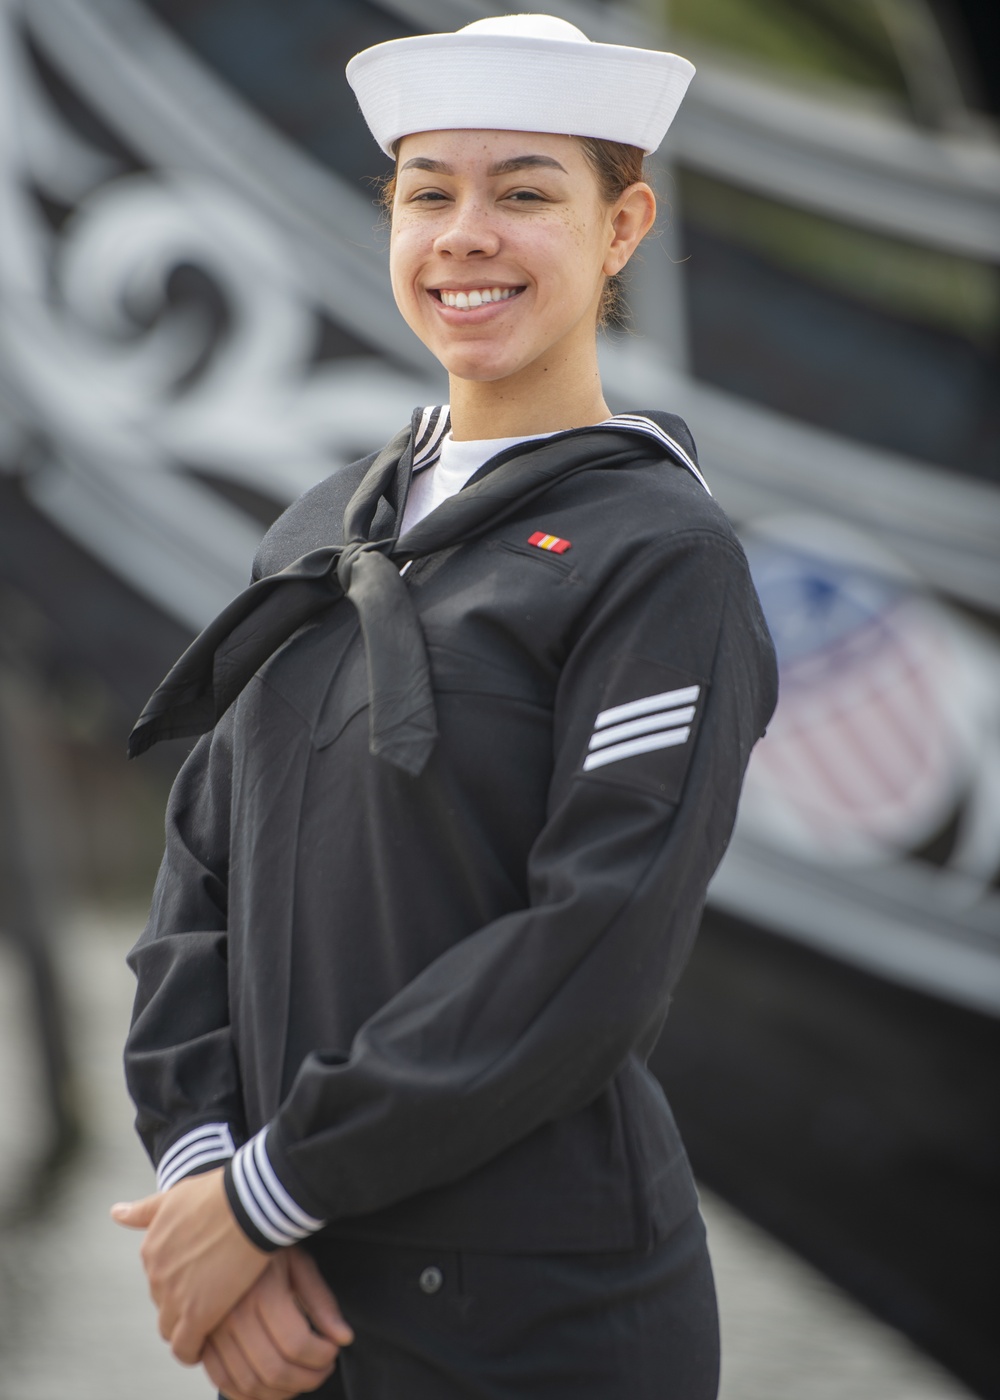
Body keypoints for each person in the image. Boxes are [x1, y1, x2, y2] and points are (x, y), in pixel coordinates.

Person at [112, 14, 777, 1400]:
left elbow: (590, 951)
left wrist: (261, 1197)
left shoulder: (662, 557)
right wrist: (200, 1178)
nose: (467, 234)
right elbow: (197, 887)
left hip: (542, 1315)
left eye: (526, 193)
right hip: (295, 1305)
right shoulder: (316, 528)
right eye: (430, 193)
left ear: (623, 226)